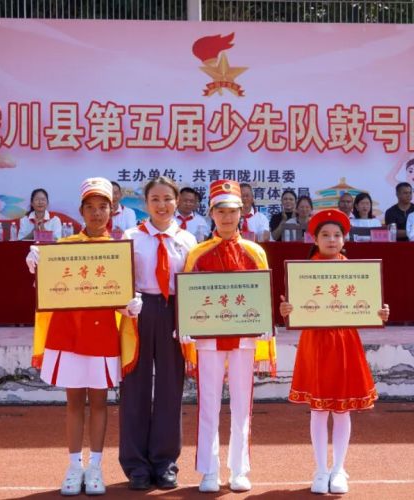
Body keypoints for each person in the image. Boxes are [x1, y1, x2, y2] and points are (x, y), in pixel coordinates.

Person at [25, 177, 142, 496]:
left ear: (113, 210)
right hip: (68, 335)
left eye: (103, 206)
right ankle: (74, 465)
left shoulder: (118, 250)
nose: (97, 213)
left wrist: (131, 306)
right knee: (74, 402)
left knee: (100, 403)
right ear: (81, 211)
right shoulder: (64, 248)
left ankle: (96, 467)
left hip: (102, 336)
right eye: (90, 207)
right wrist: (38, 266)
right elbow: (50, 290)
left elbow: (122, 296)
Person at [279, 209, 389, 494]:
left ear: (344, 239)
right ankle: (320, 469)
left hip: (344, 341)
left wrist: (379, 313)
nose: (331, 240)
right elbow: (294, 310)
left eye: (337, 235)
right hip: (315, 341)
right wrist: (286, 310)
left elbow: (368, 306)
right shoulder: (303, 272)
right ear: (314, 240)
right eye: (325, 235)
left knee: (342, 410)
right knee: (318, 410)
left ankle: (339, 468)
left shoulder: (355, 272)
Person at [182, 179, 277, 493]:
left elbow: (262, 295)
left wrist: (265, 326)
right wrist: (186, 326)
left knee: (241, 404)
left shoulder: (255, 252)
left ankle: (239, 468)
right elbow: (188, 295)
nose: (226, 217)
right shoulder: (197, 253)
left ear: (242, 213)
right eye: (220, 211)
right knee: (207, 404)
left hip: (244, 339)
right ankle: (208, 471)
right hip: (208, 340)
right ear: (211, 213)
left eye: (232, 211)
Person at [119, 176, 197, 491]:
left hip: (174, 311)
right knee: (134, 387)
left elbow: (193, 282)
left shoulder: (188, 240)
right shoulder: (130, 237)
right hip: (139, 311)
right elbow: (119, 280)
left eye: (167, 199)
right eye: (155, 199)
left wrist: (189, 319)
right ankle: (136, 465)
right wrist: (125, 304)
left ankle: (165, 463)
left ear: (177, 201)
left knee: (169, 387)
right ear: (145, 203)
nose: (162, 205)